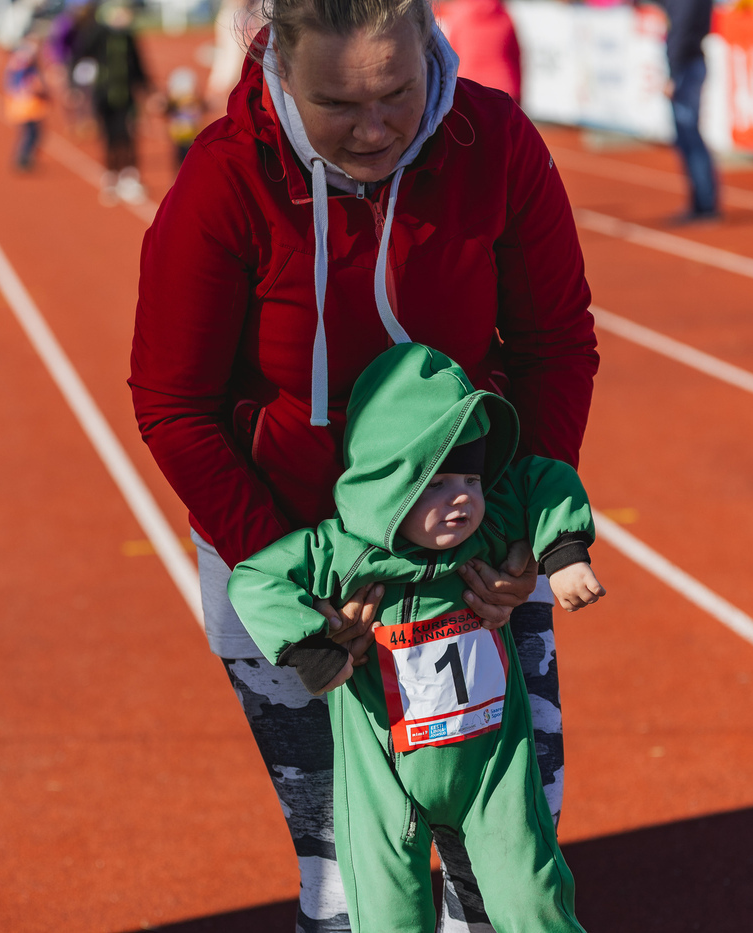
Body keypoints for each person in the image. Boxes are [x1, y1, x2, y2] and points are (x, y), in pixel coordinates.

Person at [130, 0, 599, 927]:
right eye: (337, 104)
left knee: (510, 870)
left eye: (397, 91)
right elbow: (174, 405)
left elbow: (555, 344)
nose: (375, 128)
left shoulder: (495, 144)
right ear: (279, 67)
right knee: (351, 884)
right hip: (289, 575)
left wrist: (521, 533)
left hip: (475, 563)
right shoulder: (228, 178)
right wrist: (294, 577)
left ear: (432, 47)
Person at [228, 344, 601, 932]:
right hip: (384, 773)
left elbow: (543, 478)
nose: (462, 497)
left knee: (532, 895)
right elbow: (256, 579)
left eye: (471, 478)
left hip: (493, 765)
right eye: (437, 483)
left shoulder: (486, 529)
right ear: (389, 483)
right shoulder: (343, 552)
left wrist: (564, 553)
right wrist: (311, 646)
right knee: (387, 909)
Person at [75, 0, 150, 204]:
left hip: (126, 96)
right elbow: (80, 56)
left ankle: (130, 176)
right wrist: (76, 85)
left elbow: (139, 65)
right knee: (110, 136)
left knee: (128, 136)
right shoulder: (98, 33)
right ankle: (111, 176)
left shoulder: (128, 36)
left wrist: (147, 90)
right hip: (104, 96)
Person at [661, 0, 720, 221]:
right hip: (691, 62)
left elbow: (681, 30)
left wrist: (673, 73)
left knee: (690, 138)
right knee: (689, 138)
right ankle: (701, 203)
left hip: (686, 67)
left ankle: (704, 205)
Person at [432, 0, 523, 104]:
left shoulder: (460, 17)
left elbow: (451, 56)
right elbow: (516, 57)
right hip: (503, 89)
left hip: (471, 88)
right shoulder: (504, 18)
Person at [4, 33, 49, 172]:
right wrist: (43, 92)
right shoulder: (29, 60)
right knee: (32, 132)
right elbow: (35, 84)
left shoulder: (16, 61)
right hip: (28, 102)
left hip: (19, 101)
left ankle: (23, 157)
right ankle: (23, 158)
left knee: (30, 131)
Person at [163, 66, 207, 170]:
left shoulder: (183, 101)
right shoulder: (181, 101)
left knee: (186, 161)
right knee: (183, 160)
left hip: (188, 135)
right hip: (182, 135)